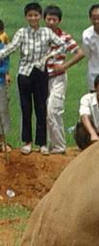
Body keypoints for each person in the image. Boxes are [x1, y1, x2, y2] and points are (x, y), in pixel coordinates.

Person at [0, 2, 65, 155]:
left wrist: (48, 57)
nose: (33, 18)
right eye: (30, 15)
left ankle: (42, 143)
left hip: (41, 72)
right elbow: (11, 48)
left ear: (40, 17)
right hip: (24, 73)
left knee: (41, 108)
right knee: (25, 107)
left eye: (36, 15)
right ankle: (27, 142)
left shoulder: (46, 33)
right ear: (26, 17)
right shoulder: (22, 32)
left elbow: (61, 45)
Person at [43, 5, 84, 155]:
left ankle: (59, 146)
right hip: (42, 79)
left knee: (54, 110)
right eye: (49, 19)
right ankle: (47, 144)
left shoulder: (64, 37)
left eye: (54, 19)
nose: (51, 22)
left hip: (58, 78)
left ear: (59, 20)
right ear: (45, 20)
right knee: (44, 112)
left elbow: (80, 53)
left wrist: (65, 66)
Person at [0, 20, 12, 152]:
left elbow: (5, 68)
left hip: (0, 83)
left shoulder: (4, 49)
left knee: (2, 111)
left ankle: (2, 141)